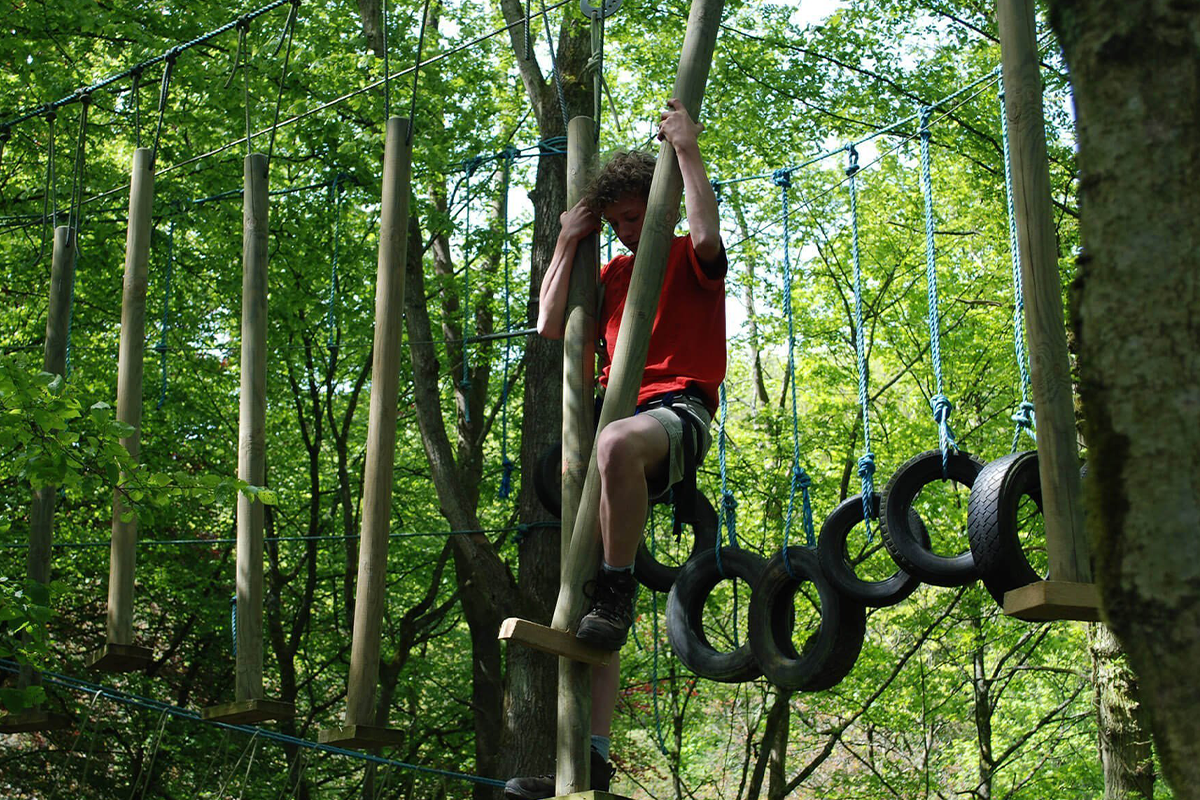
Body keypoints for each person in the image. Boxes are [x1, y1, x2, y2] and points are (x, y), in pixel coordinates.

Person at [504, 98, 727, 800]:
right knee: (581, 612)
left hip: (675, 415)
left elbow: (707, 227)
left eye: (637, 217)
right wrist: (570, 238)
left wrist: (686, 149)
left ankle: (619, 585)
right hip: (616, 433)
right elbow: (545, 324)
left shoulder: (690, 258)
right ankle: (590, 761)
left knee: (614, 449)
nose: (630, 233)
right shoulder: (610, 276)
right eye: (619, 224)